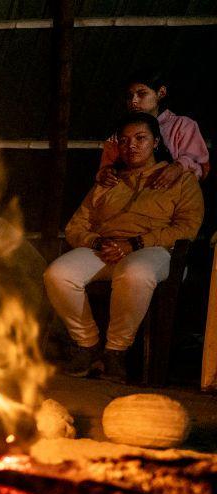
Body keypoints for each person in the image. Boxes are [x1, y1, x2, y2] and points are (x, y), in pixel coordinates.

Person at [45, 112, 204, 382]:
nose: (132, 145)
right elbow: (75, 227)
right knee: (58, 274)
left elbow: (187, 227)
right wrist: (98, 242)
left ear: (155, 142)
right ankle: (88, 344)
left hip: (155, 251)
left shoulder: (179, 180)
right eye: (125, 140)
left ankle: (115, 352)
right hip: (106, 247)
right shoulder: (108, 182)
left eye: (141, 138)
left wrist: (136, 243)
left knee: (135, 272)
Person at [97, 71, 209, 190]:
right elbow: (106, 167)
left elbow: (202, 167)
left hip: (172, 196)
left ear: (161, 92)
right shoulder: (120, 133)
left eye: (141, 94)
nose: (133, 101)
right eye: (129, 96)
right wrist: (105, 173)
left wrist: (179, 167)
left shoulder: (182, 125)